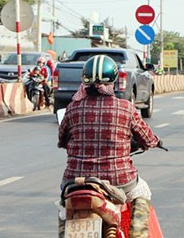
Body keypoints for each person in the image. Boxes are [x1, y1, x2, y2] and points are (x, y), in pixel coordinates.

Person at [58, 55, 161, 238]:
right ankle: (138, 234)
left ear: (84, 80)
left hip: (75, 181)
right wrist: (154, 142)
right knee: (142, 192)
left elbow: (62, 140)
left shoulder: (72, 108)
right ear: (113, 80)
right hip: (120, 180)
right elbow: (147, 138)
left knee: (63, 208)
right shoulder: (126, 108)